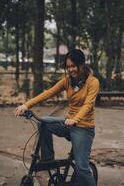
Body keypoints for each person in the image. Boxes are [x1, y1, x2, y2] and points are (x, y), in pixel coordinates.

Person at [14, 49, 99, 186]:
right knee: (43, 123)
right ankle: (48, 162)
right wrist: (26, 105)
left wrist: (75, 119)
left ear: (82, 64)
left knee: (82, 168)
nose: (71, 69)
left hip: (83, 128)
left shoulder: (93, 82)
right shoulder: (67, 81)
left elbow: (88, 105)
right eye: (68, 66)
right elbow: (49, 93)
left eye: (73, 66)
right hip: (68, 124)